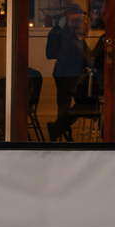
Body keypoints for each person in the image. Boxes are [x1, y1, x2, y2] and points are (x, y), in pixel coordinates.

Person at [47, 9, 91, 141]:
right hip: (68, 79)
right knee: (75, 106)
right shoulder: (72, 43)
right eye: (83, 24)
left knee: (71, 107)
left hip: (72, 79)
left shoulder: (80, 42)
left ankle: (58, 129)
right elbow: (85, 60)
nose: (87, 27)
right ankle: (59, 129)